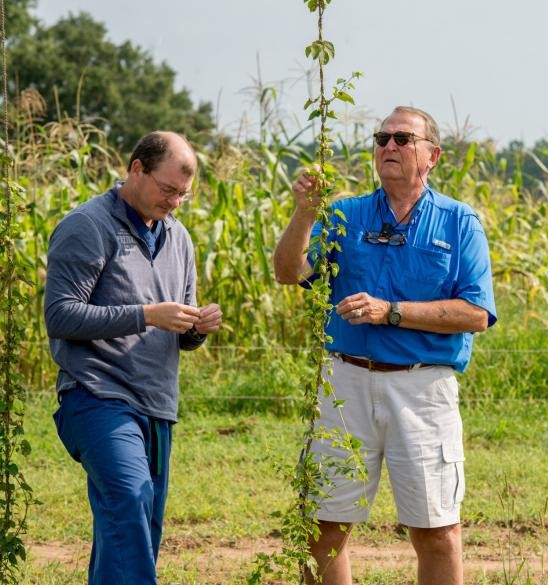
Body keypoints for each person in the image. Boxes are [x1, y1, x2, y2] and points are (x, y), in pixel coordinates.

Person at [274, 106, 497, 585]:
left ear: (432, 155)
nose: (389, 147)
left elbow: (476, 314)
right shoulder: (344, 214)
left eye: (402, 139)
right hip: (345, 381)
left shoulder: (459, 223)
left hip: (422, 388)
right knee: (323, 526)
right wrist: (304, 214)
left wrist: (391, 311)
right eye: (381, 139)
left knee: (437, 531)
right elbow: (290, 272)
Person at [45, 131, 222, 585]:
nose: (176, 202)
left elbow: (178, 334)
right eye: (168, 190)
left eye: (183, 194)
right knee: (129, 499)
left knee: (136, 528)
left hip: (157, 403)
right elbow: (61, 316)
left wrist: (196, 327)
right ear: (136, 168)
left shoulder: (179, 237)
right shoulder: (87, 225)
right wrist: (146, 315)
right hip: (97, 395)